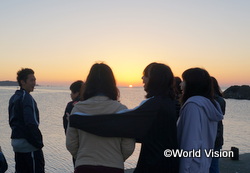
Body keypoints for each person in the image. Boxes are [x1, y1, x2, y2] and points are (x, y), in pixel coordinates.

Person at [69, 62, 179, 173]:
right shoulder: (168, 102)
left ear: (156, 79)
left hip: (155, 165)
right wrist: (116, 159)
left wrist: (75, 120)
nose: (142, 78)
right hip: (162, 163)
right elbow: (128, 142)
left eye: (146, 75)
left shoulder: (155, 105)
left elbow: (121, 122)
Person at [66, 63, 135, 173]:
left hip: (84, 166)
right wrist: (116, 158)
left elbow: (71, 143)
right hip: (113, 167)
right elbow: (128, 146)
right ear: (112, 84)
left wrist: (83, 156)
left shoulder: (77, 109)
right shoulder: (121, 110)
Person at [177, 68, 223, 173]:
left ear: (192, 84)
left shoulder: (193, 106)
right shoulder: (211, 104)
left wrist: (183, 169)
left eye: (184, 81)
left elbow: (190, 141)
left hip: (191, 166)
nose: (181, 85)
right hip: (203, 163)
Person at [8, 68, 45, 173]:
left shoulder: (13, 97)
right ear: (22, 82)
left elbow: (11, 121)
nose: (34, 83)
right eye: (31, 80)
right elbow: (31, 123)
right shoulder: (27, 98)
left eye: (35, 80)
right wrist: (38, 143)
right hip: (28, 145)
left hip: (16, 142)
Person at [209, 77, 226, 173]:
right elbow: (221, 115)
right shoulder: (221, 100)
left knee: (211, 166)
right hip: (219, 136)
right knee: (214, 164)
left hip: (211, 136)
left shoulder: (208, 100)